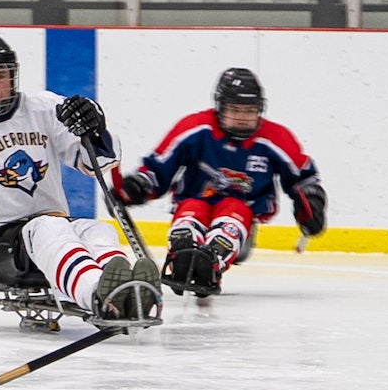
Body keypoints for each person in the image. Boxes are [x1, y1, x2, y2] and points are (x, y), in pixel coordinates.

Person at [0, 36, 159, 326]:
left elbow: (98, 163)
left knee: (97, 229)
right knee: (47, 226)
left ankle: (126, 292)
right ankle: (99, 296)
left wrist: (96, 131)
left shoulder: (44, 108)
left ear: (13, 76)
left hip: (51, 229)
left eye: (1, 75)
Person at [118, 68, 327, 296]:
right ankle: (182, 254)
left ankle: (212, 260)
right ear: (219, 107)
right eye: (234, 110)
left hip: (242, 213)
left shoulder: (276, 138)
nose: (242, 117)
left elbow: (304, 179)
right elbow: (159, 168)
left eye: (249, 111)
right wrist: (138, 186)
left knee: (234, 209)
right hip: (194, 200)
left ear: (260, 109)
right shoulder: (195, 128)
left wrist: (311, 204)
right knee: (191, 210)